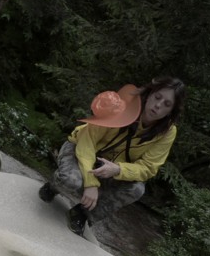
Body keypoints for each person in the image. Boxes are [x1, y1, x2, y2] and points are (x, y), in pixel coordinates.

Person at [38, 76, 186, 236]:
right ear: (150, 94)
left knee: (136, 189)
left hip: (109, 168)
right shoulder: (123, 105)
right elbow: (87, 142)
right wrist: (90, 183)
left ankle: (82, 213)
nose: (158, 105)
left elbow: (148, 167)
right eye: (157, 97)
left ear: (171, 111)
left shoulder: (167, 132)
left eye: (167, 104)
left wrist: (118, 170)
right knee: (71, 180)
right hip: (79, 150)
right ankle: (53, 186)